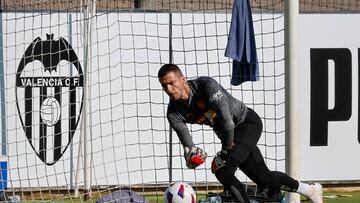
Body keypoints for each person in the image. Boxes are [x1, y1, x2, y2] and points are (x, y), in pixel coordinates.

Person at [158, 64, 323, 203]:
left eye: (171, 83)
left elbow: (228, 122)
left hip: (246, 124)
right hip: (229, 136)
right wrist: (191, 157)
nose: (169, 89)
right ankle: (311, 190)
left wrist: (224, 153)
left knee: (223, 171)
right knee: (264, 179)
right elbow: (188, 144)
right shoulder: (173, 113)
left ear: (183, 79)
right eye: (164, 86)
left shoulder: (205, 85)